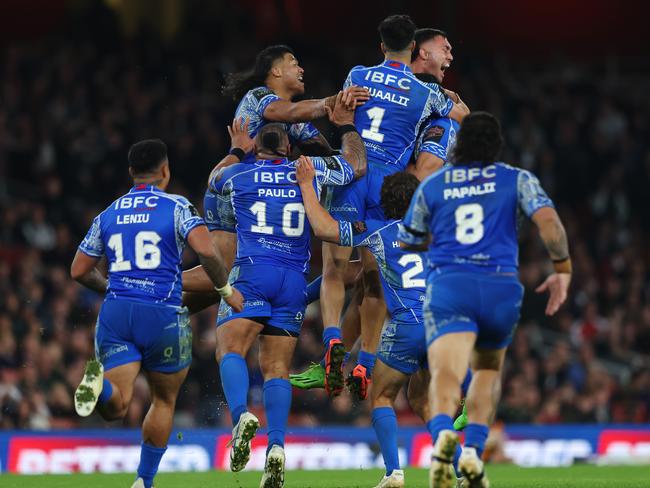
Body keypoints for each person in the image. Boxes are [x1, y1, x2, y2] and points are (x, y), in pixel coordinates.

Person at [188, 94, 366, 488]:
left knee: (230, 349)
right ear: (288, 147)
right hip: (293, 281)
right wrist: (348, 128)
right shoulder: (310, 170)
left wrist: (237, 148)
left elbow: (213, 179)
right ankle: (277, 446)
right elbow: (355, 166)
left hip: (254, 271)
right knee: (276, 369)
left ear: (258, 147)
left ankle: (240, 417)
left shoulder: (238, 175)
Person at [398, 112, 571, 488]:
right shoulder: (516, 178)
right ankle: (473, 452)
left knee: (445, 373)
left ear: (458, 146)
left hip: (451, 287)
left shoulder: (433, 185)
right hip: (499, 287)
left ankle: (444, 433)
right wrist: (563, 269)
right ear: (497, 145)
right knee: (487, 372)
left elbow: (409, 241)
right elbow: (550, 224)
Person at [305, 15, 470, 400]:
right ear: (414, 48)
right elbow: (461, 118)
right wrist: (457, 110)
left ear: (381, 46)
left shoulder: (357, 75)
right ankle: (366, 360)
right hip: (387, 185)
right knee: (373, 278)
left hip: (351, 172)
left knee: (334, 268)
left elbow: (341, 110)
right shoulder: (427, 95)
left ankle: (331, 341)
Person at [70, 140, 243, 488]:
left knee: (117, 407)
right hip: (162, 314)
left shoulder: (109, 212)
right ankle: (143, 482)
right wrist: (225, 289)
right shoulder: (177, 207)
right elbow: (207, 252)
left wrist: (111, 287)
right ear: (165, 171)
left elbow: (78, 270)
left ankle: (99, 387)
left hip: (117, 313)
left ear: (132, 172)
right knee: (163, 400)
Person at [410, 28, 469, 180]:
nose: (451, 57)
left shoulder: (381, 86)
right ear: (424, 53)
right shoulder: (444, 118)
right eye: (445, 49)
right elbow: (467, 119)